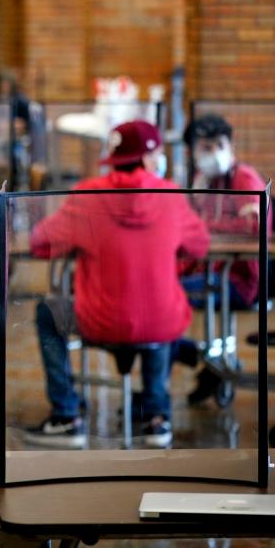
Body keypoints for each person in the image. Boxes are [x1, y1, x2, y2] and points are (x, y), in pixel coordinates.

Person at [24, 120, 210, 449]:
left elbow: (40, 242)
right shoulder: (171, 195)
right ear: (150, 158)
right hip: (160, 324)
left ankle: (66, 415)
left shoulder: (87, 195)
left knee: (46, 313)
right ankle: (156, 417)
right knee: (160, 309)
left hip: (98, 321)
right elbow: (199, 245)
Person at [177, 114, 269, 403]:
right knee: (162, 292)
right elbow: (189, 230)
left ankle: (202, 361)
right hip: (208, 272)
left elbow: (256, 226)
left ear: (230, 145)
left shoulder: (245, 178)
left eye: (219, 144)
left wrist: (208, 226)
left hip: (241, 281)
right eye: (205, 147)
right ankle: (210, 366)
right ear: (193, 151)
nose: (213, 152)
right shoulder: (201, 182)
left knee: (163, 297)